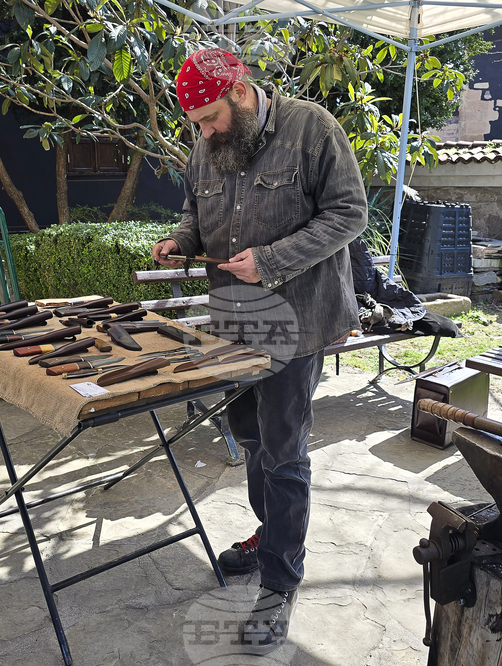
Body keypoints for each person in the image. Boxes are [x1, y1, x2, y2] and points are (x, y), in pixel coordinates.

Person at [152, 47, 367, 655]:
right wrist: (180, 239)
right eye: (196, 124)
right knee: (249, 434)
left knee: (284, 448)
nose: (204, 132)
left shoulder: (312, 128)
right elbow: (196, 207)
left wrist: (271, 260)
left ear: (241, 94)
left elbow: (350, 214)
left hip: (294, 321)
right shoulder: (208, 141)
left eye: (211, 119)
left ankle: (280, 581)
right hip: (233, 322)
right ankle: (268, 531)